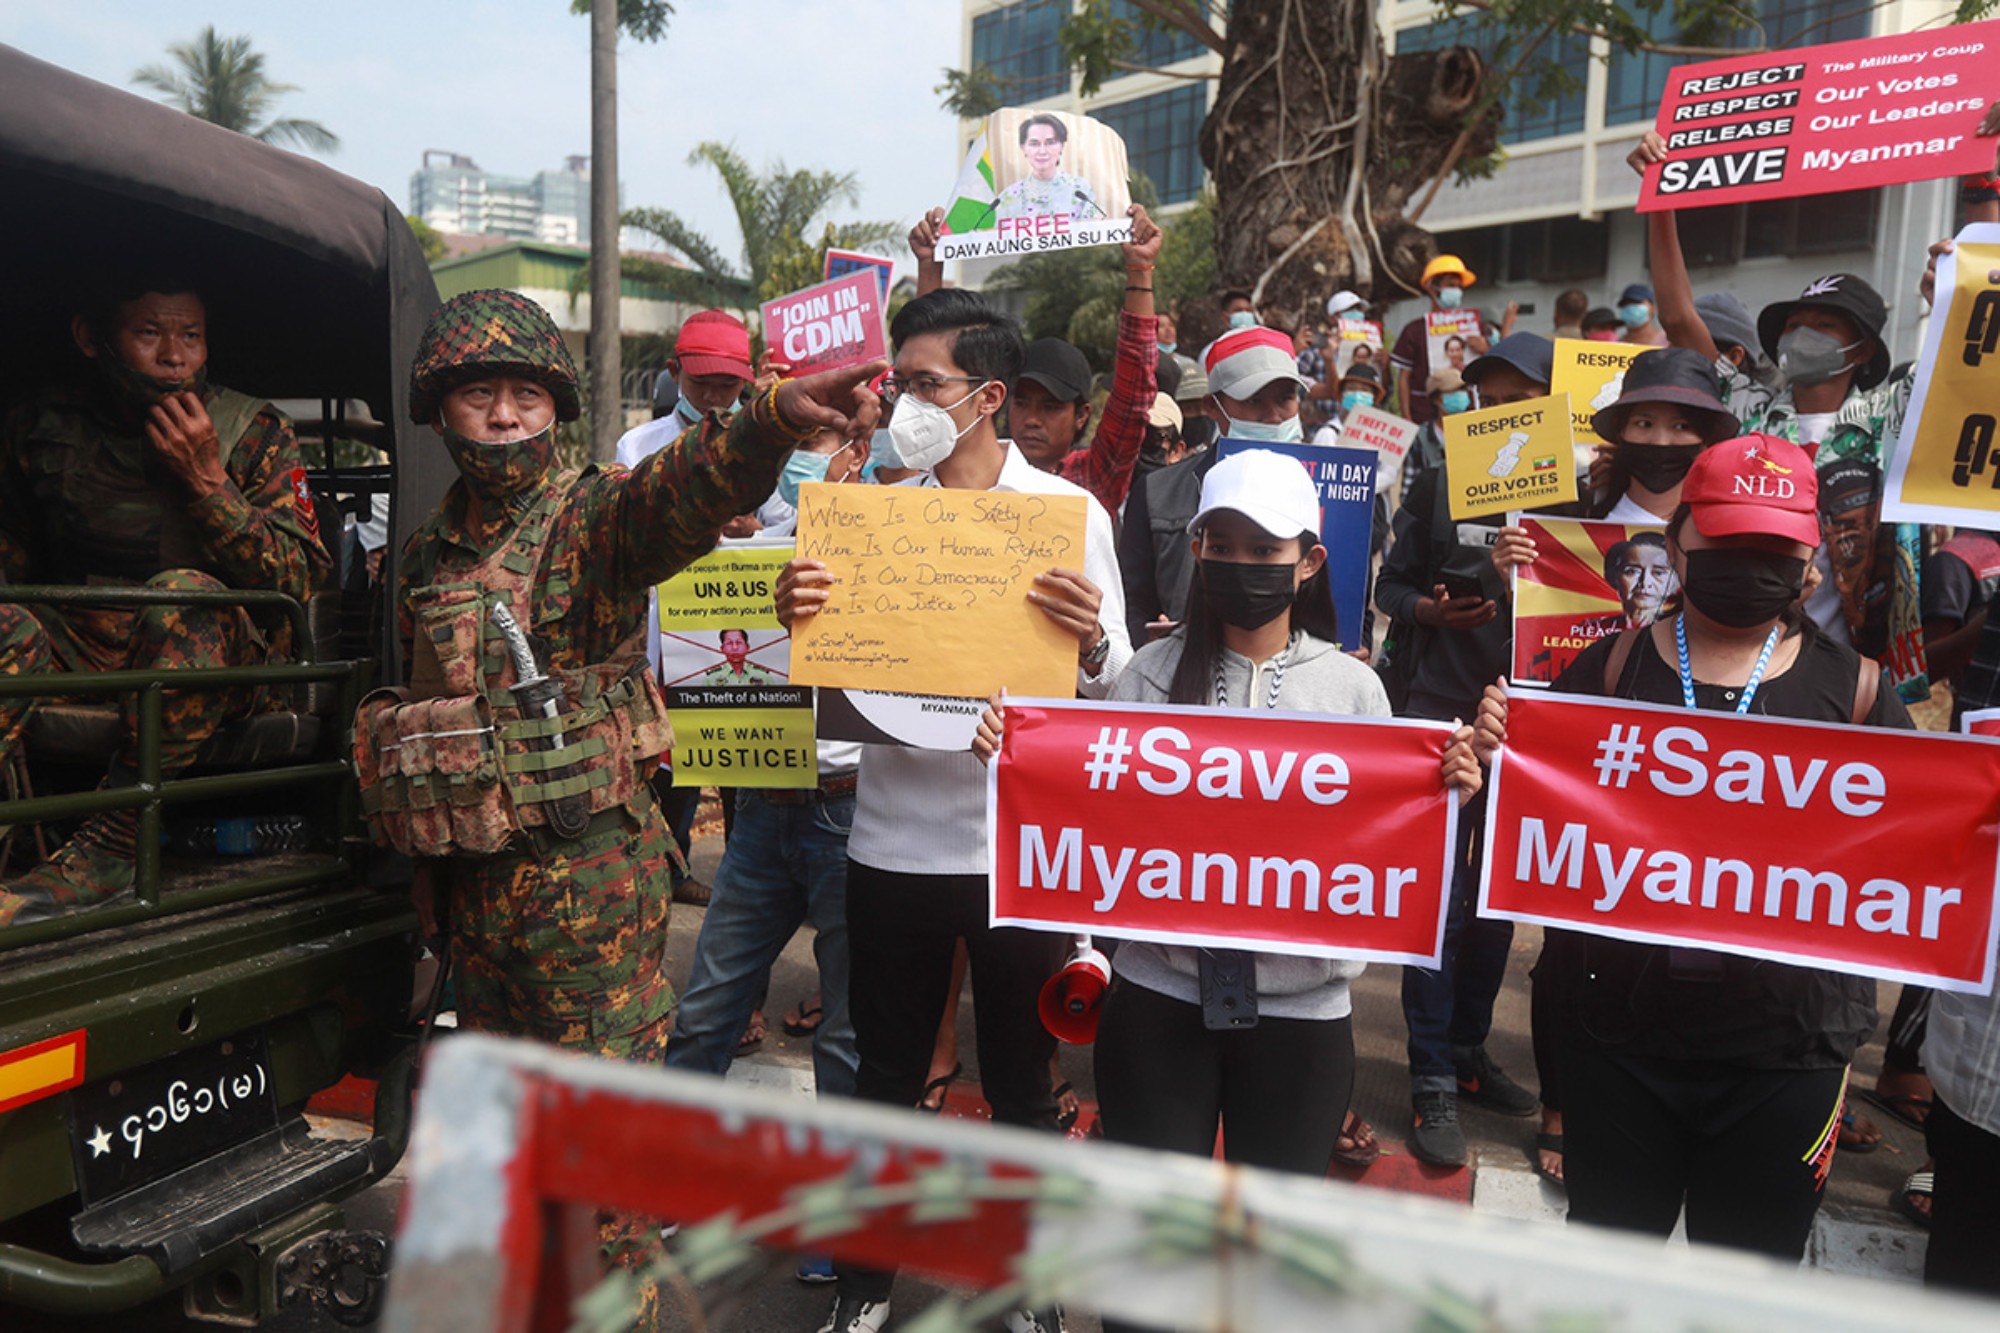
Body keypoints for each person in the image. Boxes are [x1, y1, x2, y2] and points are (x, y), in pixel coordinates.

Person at [364, 288, 882, 1328]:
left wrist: (773, 416)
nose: (504, 416)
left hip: (588, 895)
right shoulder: (425, 557)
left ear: (553, 403)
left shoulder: (592, 510)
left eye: (522, 393)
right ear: (439, 412)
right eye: (478, 396)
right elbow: (427, 725)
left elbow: (684, 490)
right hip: (480, 899)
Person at [973, 450, 1481, 1333]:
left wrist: (1450, 790)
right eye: (1223, 543)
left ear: (1309, 560)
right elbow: (1094, 805)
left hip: (1302, 1019)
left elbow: (1385, 836)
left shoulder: (1356, 690)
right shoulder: (1149, 677)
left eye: (1265, 547)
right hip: (1159, 1003)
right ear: (1197, 549)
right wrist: (1017, 762)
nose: (1243, 564)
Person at [775, 288, 1130, 1333]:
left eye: (922, 385)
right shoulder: (873, 517)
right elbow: (835, 719)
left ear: (983, 397)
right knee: (884, 1080)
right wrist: (807, 629)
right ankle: (866, 1284)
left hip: (1017, 855)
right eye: (897, 383)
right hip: (888, 846)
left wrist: (1095, 641)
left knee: (1024, 1087)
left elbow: (1113, 702)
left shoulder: (1067, 521)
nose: (901, 403)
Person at [1471, 433, 1912, 1261]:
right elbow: (1534, 834)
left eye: (1774, 547)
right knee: (1608, 1269)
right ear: (1678, 543)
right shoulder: (1605, 672)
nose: (1749, 562)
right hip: (1618, 1040)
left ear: (1810, 557)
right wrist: (1491, 760)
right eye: (1727, 541)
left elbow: (1910, 857)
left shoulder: (1859, 694)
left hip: (1788, 1049)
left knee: (1747, 1284)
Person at [0, 275, 330, 926]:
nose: (176, 357)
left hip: (222, 662)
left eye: (191, 336)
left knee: (183, 600)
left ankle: (113, 847)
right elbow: (11, 554)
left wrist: (208, 482)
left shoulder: (252, 429)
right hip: (85, 644)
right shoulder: (42, 425)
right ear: (91, 338)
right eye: (150, 333)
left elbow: (298, 579)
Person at [664, 425, 866, 1287]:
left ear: (860, 450)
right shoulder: (742, 552)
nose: (813, 453)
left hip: (855, 816)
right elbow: (682, 658)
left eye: (829, 438)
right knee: (708, 1006)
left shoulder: (901, 547)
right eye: (801, 438)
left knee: (849, 1040)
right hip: (760, 809)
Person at [1374, 332, 1553, 1166]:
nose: (1502, 411)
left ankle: (1471, 1048)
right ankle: (1432, 1073)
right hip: (1443, 718)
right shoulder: (1443, 483)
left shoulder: (1590, 498)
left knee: (1498, 901)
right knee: (1438, 900)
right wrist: (1429, 614)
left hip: (1537, 729)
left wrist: (1542, 570)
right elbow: (1389, 587)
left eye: (1524, 396)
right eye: (1490, 396)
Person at [911, 204, 1162, 513]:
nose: (1032, 419)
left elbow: (1133, 391)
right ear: (994, 398)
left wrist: (1140, 269)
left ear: (1082, 415)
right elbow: (927, 366)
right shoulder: (957, 468)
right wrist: (930, 267)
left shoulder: (1092, 477)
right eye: (1022, 402)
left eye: (1050, 407)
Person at [1119, 325, 1317, 645]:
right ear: (1213, 406)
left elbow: (1353, 601)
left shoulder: (1332, 489)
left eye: (1285, 399)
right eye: (1254, 400)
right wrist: (1156, 647)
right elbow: (1131, 601)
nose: (1273, 416)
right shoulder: (1157, 493)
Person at [1391, 254, 1513, 427]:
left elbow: (1497, 368)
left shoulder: (1476, 327)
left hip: (1470, 415)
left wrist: (1486, 349)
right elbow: (1404, 378)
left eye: (1458, 287)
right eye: (1450, 285)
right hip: (1425, 417)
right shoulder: (1414, 331)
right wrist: (1406, 417)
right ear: (1432, 288)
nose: (1456, 291)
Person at [995, 113, 1100, 222]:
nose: (1042, 151)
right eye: (1034, 144)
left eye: (1050, 142)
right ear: (1023, 148)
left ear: (1062, 146)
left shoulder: (1080, 189)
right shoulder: (1008, 197)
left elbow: (1092, 231)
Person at [697, 627, 779, 684]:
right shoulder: (711, 678)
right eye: (729, 643)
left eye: (739, 643)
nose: (735, 648)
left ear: (747, 647)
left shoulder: (763, 676)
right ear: (722, 649)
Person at [1616, 282, 1668, 346]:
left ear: (1653, 308)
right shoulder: (1617, 345)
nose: (1630, 307)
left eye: (1636, 302)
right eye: (1626, 304)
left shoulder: (1667, 342)